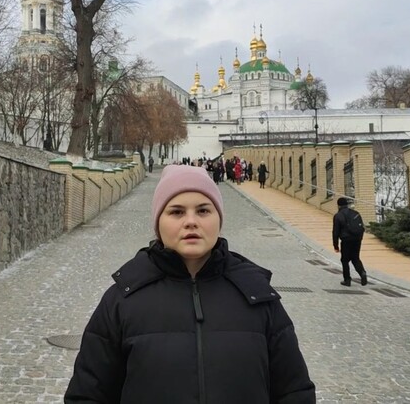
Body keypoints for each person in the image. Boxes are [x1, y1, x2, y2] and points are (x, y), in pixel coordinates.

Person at [65, 165, 316, 403]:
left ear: (219, 218)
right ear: (158, 223)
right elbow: (88, 394)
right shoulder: (122, 300)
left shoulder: (257, 295)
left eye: (203, 210)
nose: (191, 222)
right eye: (176, 212)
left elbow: (294, 392)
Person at [332, 197, 368, 287]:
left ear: (338, 205)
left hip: (346, 240)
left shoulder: (338, 216)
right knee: (355, 258)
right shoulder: (355, 213)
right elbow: (362, 228)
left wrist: (335, 246)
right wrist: (359, 239)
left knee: (344, 260)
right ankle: (362, 273)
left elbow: (335, 232)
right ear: (347, 204)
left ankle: (347, 280)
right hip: (357, 240)